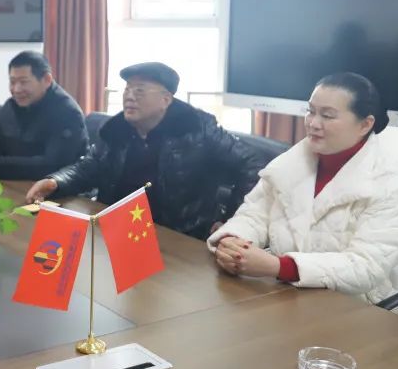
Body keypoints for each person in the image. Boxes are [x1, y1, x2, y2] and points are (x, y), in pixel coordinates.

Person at [208, 73, 398, 304]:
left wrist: (279, 267)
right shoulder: (289, 163)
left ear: (365, 124)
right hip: (285, 296)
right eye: (311, 111)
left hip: (356, 308)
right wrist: (234, 242)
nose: (313, 123)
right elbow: (254, 215)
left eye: (327, 115)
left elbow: (365, 267)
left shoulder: (392, 186)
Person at [26, 62, 264, 239]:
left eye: (139, 91)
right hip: (117, 230)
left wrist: (233, 220)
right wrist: (56, 181)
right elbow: (91, 166)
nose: (129, 97)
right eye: (127, 90)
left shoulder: (198, 128)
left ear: (166, 99)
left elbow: (252, 165)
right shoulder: (116, 129)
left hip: (178, 237)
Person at [0, 51, 88, 181]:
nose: (17, 89)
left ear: (46, 80)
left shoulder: (67, 113)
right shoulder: (12, 105)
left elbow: (52, 165)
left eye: (24, 82)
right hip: (13, 182)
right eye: (12, 82)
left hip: (53, 188)